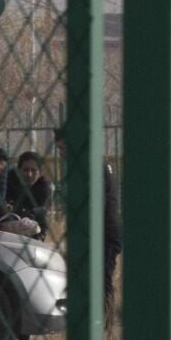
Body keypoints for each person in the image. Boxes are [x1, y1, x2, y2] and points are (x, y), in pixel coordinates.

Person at [53, 129, 122, 315]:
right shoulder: (88, 164)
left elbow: (98, 203)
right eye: (59, 149)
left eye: (64, 148)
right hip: (99, 230)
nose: (62, 153)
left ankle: (102, 317)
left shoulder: (91, 166)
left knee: (102, 277)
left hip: (106, 231)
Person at [5, 151, 52, 241]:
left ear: (40, 172)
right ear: (18, 171)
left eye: (33, 170)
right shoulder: (9, 181)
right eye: (25, 170)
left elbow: (42, 220)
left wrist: (38, 239)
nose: (29, 175)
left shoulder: (43, 189)